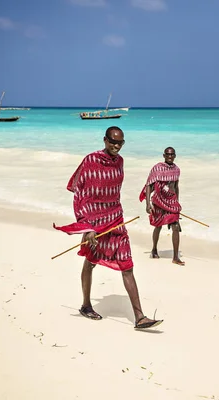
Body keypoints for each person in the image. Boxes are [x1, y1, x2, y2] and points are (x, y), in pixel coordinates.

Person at [54, 126, 162, 330]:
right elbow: (79, 194)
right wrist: (86, 225)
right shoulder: (91, 160)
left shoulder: (120, 161)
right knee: (90, 261)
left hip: (116, 219)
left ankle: (140, 317)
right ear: (104, 140)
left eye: (120, 142)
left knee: (127, 266)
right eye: (113, 141)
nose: (116, 146)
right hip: (94, 222)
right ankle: (86, 305)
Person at [138, 147, 185, 266]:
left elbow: (176, 186)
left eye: (172, 155)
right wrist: (148, 204)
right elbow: (149, 185)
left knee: (175, 226)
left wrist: (177, 203)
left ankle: (175, 257)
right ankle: (154, 249)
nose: (170, 157)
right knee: (158, 226)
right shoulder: (157, 168)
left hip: (171, 201)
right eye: (168, 155)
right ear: (164, 155)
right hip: (158, 201)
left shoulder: (176, 170)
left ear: (175, 156)